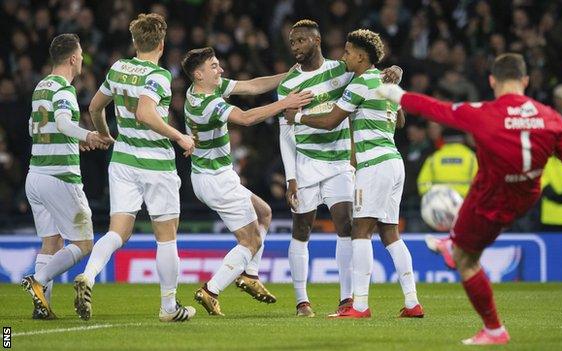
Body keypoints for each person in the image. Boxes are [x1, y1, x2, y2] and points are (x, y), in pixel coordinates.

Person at [377, 53, 562, 345]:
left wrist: (398, 95)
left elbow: (438, 110)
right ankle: (454, 240)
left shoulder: (483, 113)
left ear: (492, 81)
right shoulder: (551, 117)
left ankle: (493, 329)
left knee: (465, 261)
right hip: (527, 195)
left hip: (493, 197)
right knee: (484, 177)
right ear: (526, 81)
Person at [285, 29, 423, 318]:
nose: (344, 56)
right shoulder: (385, 82)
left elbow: (330, 121)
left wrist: (296, 116)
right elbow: (400, 120)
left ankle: (359, 305)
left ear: (361, 56)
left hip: (372, 166)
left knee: (359, 231)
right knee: (390, 232)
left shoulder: (359, 84)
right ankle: (412, 302)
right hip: (394, 162)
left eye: (348, 52)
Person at [73, 13, 197, 323]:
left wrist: (103, 133)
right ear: (162, 43)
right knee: (166, 236)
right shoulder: (159, 75)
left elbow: (94, 107)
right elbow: (146, 112)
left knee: (117, 232)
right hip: (155, 163)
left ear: (134, 41)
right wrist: (179, 135)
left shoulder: (118, 68)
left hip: (124, 160)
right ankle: (169, 307)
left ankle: (88, 276)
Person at [181, 47, 313, 316]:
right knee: (250, 240)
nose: (221, 70)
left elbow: (252, 87)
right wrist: (284, 102)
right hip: (215, 179)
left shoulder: (206, 89)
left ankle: (250, 275)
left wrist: (289, 75)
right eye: (214, 66)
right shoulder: (207, 103)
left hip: (213, 175)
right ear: (199, 74)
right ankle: (211, 290)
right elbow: (246, 117)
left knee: (264, 212)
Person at [21, 33, 112, 320]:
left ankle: (42, 306)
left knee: (52, 242)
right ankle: (37, 280)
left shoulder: (40, 87)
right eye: (81, 54)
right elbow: (61, 122)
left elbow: (33, 128)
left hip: (35, 174)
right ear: (73, 58)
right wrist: (89, 135)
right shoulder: (63, 88)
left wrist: (75, 140)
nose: (83, 58)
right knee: (84, 243)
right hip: (60, 176)